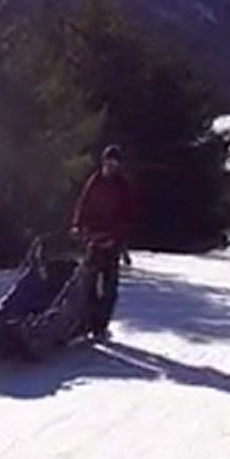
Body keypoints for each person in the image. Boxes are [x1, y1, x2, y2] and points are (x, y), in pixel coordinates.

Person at [71, 144, 136, 341]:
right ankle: (86, 321)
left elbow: (127, 215)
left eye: (114, 163)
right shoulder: (95, 181)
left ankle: (101, 325)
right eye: (108, 162)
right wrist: (77, 225)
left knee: (108, 287)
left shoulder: (122, 186)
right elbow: (83, 204)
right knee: (87, 283)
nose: (110, 166)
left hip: (112, 241)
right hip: (93, 238)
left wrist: (115, 237)